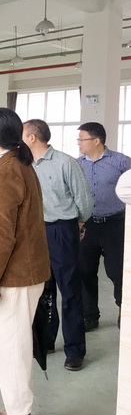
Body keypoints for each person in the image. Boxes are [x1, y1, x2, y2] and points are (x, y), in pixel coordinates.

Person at [0, 108, 50, 415]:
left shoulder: (7, 171)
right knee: (14, 346)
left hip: (14, 276)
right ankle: (18, 409)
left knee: (10, 351)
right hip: (22, 272)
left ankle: (20, 412)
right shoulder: (17, 163)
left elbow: (1, 235)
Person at [23, 119, 93, 371]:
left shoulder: (65, 162)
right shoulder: (24, 164)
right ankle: (46, 341)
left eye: (22, 135)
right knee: (43, 290)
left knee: (70, 290)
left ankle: (74, 350)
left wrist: (77, 223)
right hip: (35, 232)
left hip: (62, 230)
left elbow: (84, 200)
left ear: (32, 137)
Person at [76, 122, 130, 331]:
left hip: (115, 225)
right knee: (85, 271)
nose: (79, 143)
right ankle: (89, 316)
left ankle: (124, 311)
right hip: (87, 225)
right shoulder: (77, 164)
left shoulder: (121, 162)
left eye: (82, 139)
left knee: (117, 272)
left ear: (96, 141)